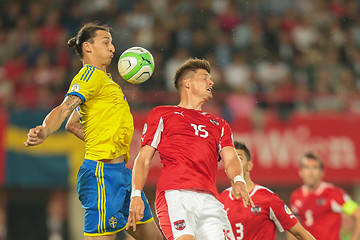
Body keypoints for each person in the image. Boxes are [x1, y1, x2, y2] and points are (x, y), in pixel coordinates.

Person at [24, 22, 163, 240]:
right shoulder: (89, 75)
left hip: (123, 174)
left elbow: (73, 123)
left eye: (112, 43)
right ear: (88, 47)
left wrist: (102, 137)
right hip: (101, 176)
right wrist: (44, 129)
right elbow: (64, 109)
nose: (113, 48)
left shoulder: (107, 83)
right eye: (106, 42)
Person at [127, 58, 254, 240]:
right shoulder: (162, 114)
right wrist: (136, 194)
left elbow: (231, 158)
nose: (211, 82)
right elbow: (144, 158)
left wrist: (238, 179)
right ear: (187, 83)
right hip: (175, 196)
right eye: (204, 78)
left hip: (210, 199)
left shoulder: (219, 124)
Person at [219, 141, 315, 240]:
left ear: (249, 165)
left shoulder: (267, 198)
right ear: (225, 167)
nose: (235, 164)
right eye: (230, 160)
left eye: (239, 158)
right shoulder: (219, 201)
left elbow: (301, 233)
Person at [288, 152, 360, 240]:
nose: (311, 172)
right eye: (307, 167)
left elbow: (357, 213)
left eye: (315, 168)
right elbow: (292, 226)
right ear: (301, 172)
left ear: (321, 172)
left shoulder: (333, 194)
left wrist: (354, 238)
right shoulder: (296, 196)